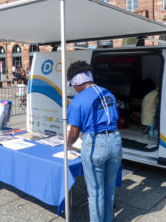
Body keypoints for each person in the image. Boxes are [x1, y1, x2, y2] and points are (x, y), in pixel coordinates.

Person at [66, 61, 121, 222]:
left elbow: (74, 133)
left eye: (72, 85)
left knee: (96, 192)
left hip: (95, 143)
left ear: (76, 82)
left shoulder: (78, 100)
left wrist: (68, 145)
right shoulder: (108, 93)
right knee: (109, 188)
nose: (73, 89)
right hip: (116, 141)